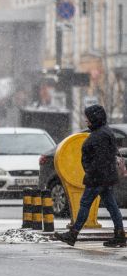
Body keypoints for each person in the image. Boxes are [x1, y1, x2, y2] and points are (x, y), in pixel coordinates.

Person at [55, 104, 125, 248]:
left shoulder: (100, 135)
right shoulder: (104, 132)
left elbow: (99, 160)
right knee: (112, 206)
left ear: (94, 118)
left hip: (97, 177)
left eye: (88, 118)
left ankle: (73, 234)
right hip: (104, 177)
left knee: (85, 204)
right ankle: (119, 235)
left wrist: (90, 173)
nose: (86, 121)